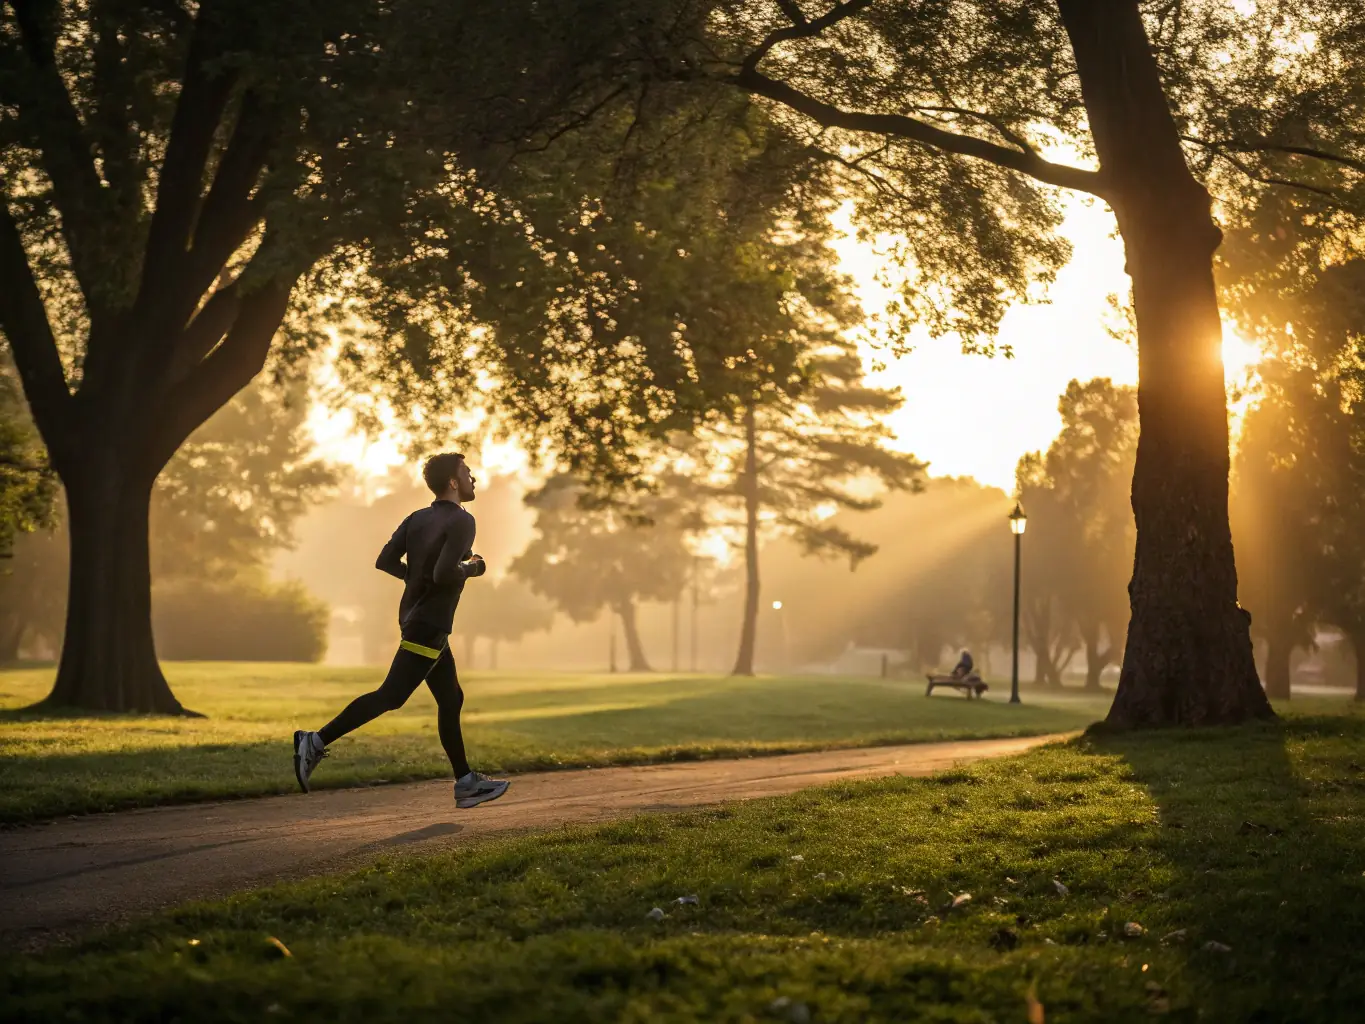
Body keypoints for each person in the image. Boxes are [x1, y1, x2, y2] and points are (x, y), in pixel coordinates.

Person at [292, 452, 509, 809]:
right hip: (430, 624)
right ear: (453, 482)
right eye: (468, 473)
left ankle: (466, 782)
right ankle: (314, 741)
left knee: (451, 698)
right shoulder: (463, 521)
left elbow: (386, 562)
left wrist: (416, 579)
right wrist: (474, 567)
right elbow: (444, 573)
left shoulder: (416, 518)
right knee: (391, 696)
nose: (474, 479)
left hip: (416, 618)